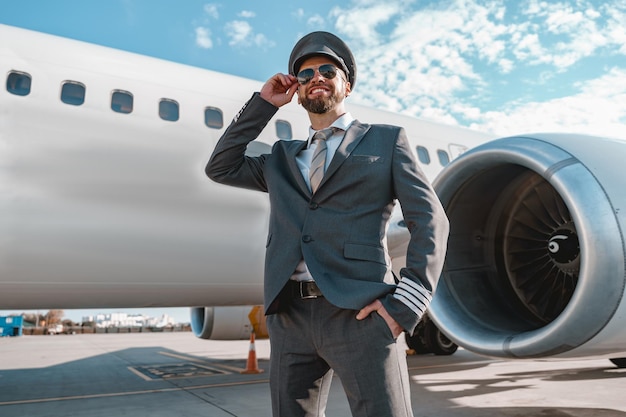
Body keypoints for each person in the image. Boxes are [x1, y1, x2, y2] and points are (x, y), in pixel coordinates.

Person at [206, 31, 449, 417]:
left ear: (346, 85)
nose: (315, 77)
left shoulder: (385, 142)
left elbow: (430, 220)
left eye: (326, 70)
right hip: (291, 319)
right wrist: (264, 105)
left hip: (363, 314)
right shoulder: (281, 159)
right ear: (297, 90)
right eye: (304, 75)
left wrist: (406, 305)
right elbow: (220, 166)